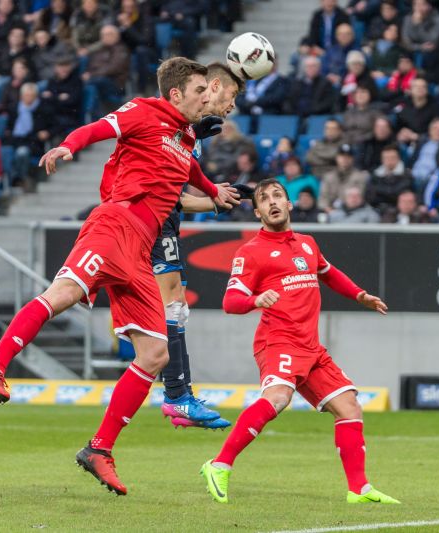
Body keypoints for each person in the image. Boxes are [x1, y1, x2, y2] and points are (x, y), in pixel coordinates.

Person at [0, 58, 238, 496]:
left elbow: (188, 168)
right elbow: (96, 129)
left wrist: (212, 192)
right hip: (115, 225)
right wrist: (66, 147)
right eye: (200, 92)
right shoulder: (143, 111)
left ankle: (99, 449)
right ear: (176, 94)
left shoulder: (185, 135)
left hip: (140, 249)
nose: (208, 98)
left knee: (154, 355)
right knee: (63, 294)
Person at [200, 178, 398, 505]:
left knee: (349, 406)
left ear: (290, 204)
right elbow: (230, 302)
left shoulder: (307, 243)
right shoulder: (251, 252)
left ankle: (359, 489)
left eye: (278, 196)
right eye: (264, 199)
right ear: (258, 213)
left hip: (310, 346)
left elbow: (328, 272)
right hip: (278, 341)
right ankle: (219, 464)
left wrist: (359, 294)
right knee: (278, 398)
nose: (272, 202)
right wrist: (255, 300)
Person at [152, 63, 244, 431]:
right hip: (150, 219)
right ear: (214, 86)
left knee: (174, 304)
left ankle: (179, 393)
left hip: (165, 218)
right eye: (232, 95)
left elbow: (178, 197)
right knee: (170, 302)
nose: (232, 105)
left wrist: (223, 198)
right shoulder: (176, 123)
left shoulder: (193, 133)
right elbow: (163, 185)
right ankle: (177, 395)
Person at [318, 144, 368, 212]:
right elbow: (323, 198)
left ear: (352, 159)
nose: (345, 159)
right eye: (342, 156)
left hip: (352, 213)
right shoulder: (328, 177)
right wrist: (329, 211)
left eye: (348, 157)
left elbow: (358, 199)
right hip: (329, 213)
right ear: (337, 158)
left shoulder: (359, 176)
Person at [366, 144, 413, 212]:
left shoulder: (406, 174)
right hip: (378, 209)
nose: (389, 161)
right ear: (382, 159)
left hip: (399, 211)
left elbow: (396, 193)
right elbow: (370, 197)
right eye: (386, 158)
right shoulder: (375, 174)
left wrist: (380, 192)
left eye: (392, 158)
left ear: (398, 158)